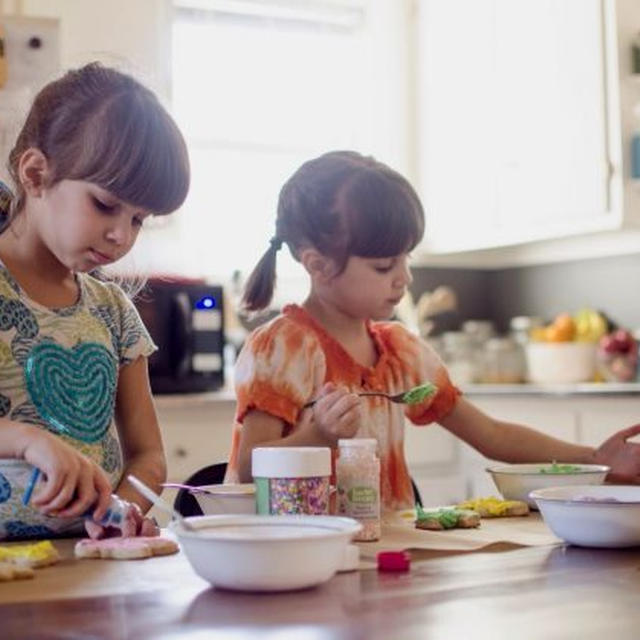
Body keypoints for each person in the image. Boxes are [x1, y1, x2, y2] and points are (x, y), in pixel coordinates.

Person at [225, 150, 640, 511]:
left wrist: (595, 459)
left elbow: (492, 435)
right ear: (317, 265)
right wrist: (319, 435)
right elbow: (249, 467)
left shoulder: (399, 350)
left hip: (385, 558)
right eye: (384, 266)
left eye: (406, 259)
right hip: (301, 556)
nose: (403, 277)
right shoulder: (283, 346)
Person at [0, 62, 190, 539]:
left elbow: (149, 456)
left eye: (138, 219)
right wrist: (26, 441)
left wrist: (122, 510)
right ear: (36, 173)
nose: (119, 235)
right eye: (105, 205)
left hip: (84, 568)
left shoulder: (114, 313)